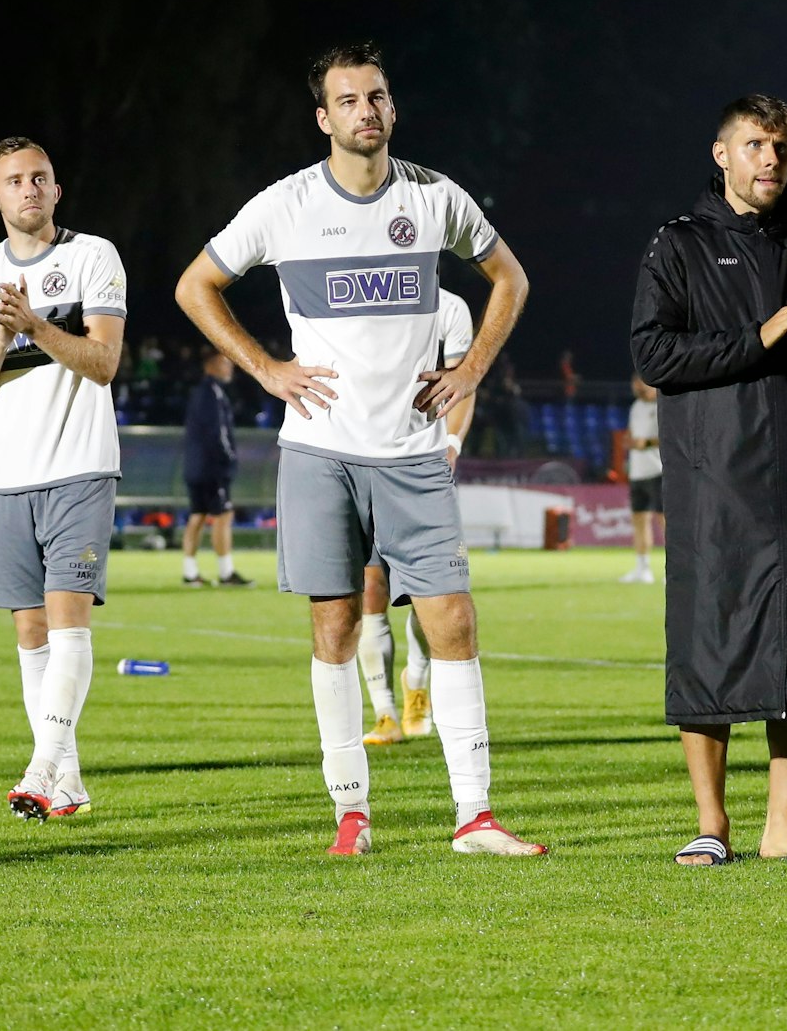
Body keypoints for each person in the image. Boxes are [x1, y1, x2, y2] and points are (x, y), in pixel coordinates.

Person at [175, 41, 543, 856]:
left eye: (375, 97)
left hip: (413, 453)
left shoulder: (435, 196)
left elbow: (510, 278)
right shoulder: (286, 205)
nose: (365, 112)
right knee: (334, 624)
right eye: (348, 100)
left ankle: (474, 816)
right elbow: (194, 285)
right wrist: (267, 368)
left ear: (391, 107)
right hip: (321, 451)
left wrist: (470, 368)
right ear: (323, 117)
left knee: (452, 619)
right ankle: (352, 812)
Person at [632, 93, 787, 866]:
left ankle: (784, 825)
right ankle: (712, 824)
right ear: (722, 154)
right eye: (754, 145)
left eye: (779, 146)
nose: (770, 159)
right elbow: (654, 356)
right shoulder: (678, 245)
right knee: (709, 643)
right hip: (714, 484)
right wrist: (764, 333)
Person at [0, 137, 127, 821]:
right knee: (30, 631)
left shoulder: (93, 257)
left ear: (57, 191)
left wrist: (35, 325)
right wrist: (2, 337)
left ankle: (42, 765)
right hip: (11, 478)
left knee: (67, 622)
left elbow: (105, 361)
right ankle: (71, 782)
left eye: (41, 177)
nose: (29, 188)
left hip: (80, 467)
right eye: (14, 180)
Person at [359, 287, 477, 745]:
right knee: (370, 587)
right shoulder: (355, 295)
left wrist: (452, 445)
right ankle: (385, 712)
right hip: (362, 462)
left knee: (433, 592)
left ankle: (417, 683)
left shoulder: (450, 306)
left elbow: (464, 384)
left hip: (422, 468)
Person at [180, 349, 254, 587]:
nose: (229, 368)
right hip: (212, 468)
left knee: (198, 516)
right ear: (210, 365)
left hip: (195, 466)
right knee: (223, 515)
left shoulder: (201, 392)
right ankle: (226, 572)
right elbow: (218, 432)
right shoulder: (212, 393)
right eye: (225, 363)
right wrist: (229, 458)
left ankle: (190, 573)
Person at [620, 374, 664, 584]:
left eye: (640, 383)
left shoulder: (664, 406)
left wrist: (645, 443)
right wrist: (629, 443)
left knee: (666, 523)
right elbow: (631, 434)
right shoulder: (636, 407)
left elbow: (670, 438)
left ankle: (671, 570)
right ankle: (642, 569)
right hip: (638, 472)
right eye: (634, 383)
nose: (636, 387)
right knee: (639, 520)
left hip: (659, 470)